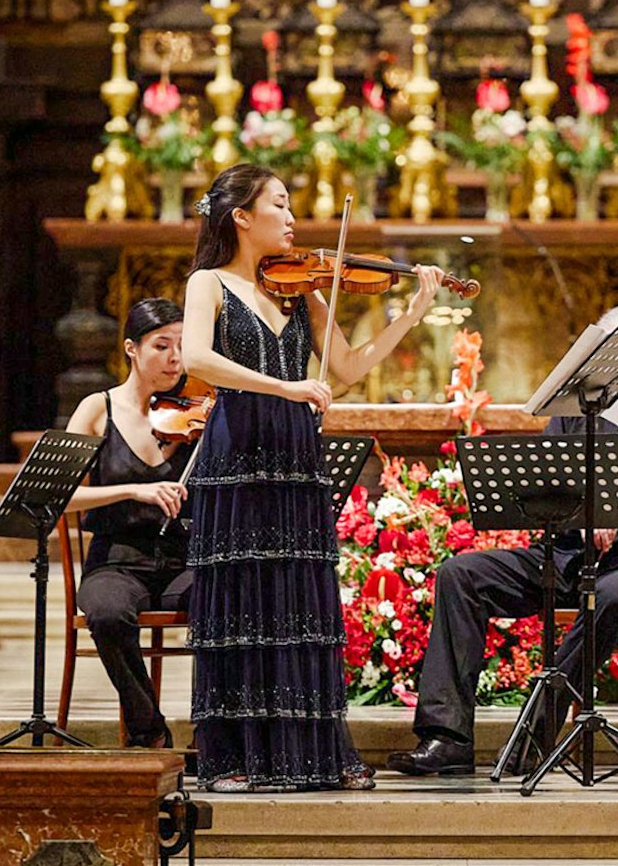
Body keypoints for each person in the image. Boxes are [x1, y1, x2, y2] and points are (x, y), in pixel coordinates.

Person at [180, 163, 443, 792]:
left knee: (299, 601)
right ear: (241, 216)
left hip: (295, 455)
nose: (293, 218)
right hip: (237, 451)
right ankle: (236, 757)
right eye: (279, 204)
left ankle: (316, 754)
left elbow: (347, 367)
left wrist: (412, 312)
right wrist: (287, 386)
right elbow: (197, 358)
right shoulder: (208, 284)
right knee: (242, 599)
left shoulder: (303, 290)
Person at [387, 304, 618, 776]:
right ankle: (447, 738)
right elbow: (547, 491)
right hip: (571, 556)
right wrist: (583, 516)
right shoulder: (574, 411)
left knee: (607, 594)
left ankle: (536, 732)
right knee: (461, 575)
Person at [63, 298, 191, 749]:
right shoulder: (97, 409)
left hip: (184, 560)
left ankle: (220, 733)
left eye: (182, 345)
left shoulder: (198, 412)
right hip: (116, 561)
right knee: (107, 612)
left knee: (228, 602)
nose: (176, 358)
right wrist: (132, 490)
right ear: (132, 349)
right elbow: (63, 497)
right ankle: (147, 726)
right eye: (162, 345)